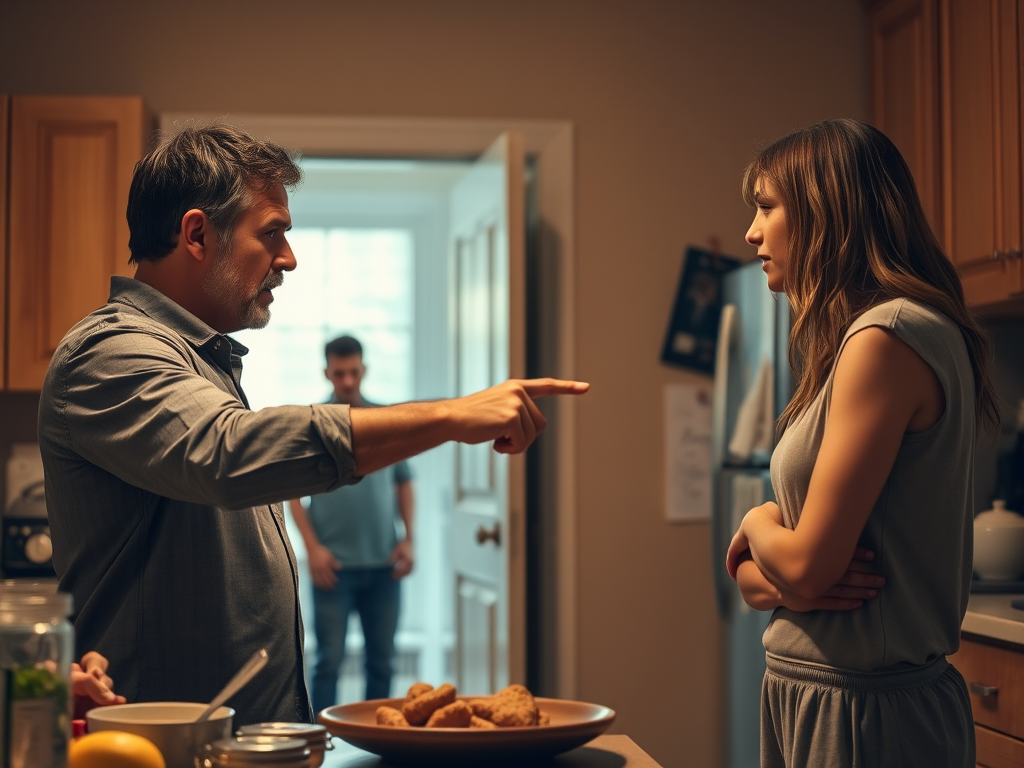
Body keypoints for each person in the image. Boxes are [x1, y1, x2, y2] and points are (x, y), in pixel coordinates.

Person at [37, 124, 588, 727]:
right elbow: (226, 454)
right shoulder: (110, 351)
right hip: (159, 751)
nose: (289, 259)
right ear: (197, 233)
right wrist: (451, 414)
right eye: (271, 233)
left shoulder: (198, 359)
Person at [724, 119, 998, 768]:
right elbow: (757, 585)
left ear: (826, 210)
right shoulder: (856, 343)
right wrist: (769, 566)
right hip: (825, 696)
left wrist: (755, 522)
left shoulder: (888, 338)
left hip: (864, 712)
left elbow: (807, 569)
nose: (752, 232)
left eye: (766, 207)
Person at [288, 335, 414, 711]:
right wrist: (312, 549)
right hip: (334, 569)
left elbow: (404, 483)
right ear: (327, 372)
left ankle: (379, 740)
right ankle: (322, 746)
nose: (346, 381)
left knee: (383, 662)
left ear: (364, 370)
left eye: (353, 372)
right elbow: (291, 493)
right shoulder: (312, 422)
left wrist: (409, 539)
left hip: (384, 567)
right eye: (339, 373)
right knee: (328, 663)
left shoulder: (385, 420)